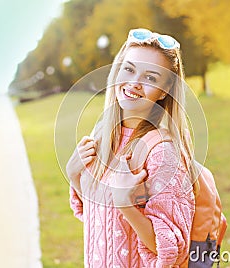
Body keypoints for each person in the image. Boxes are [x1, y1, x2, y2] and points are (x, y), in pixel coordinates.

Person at [66, 28, 198, 267]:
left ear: (164, 90)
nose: (134, 83)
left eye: (150, 78)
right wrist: (75, 176)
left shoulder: (162, 152)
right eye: (129, 69)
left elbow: (172, 249)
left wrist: (125, 204)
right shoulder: (102, 137)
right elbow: (101, 222)